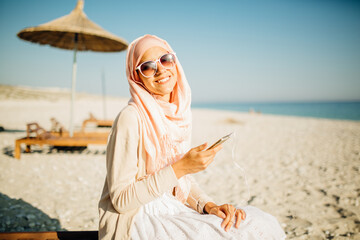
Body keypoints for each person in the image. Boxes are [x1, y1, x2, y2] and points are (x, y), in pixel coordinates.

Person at [98, 34, 286, 240]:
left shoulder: (177, 114)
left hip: (171, 209)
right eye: (148, 66)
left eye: (165, 59)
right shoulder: (131, 117)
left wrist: (208, 205)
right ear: (137, 76)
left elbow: (180, 182)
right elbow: (121, 200)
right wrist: (181, 167)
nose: (161, 69)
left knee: (263, 222)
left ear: (174, 62)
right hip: (137, 220)